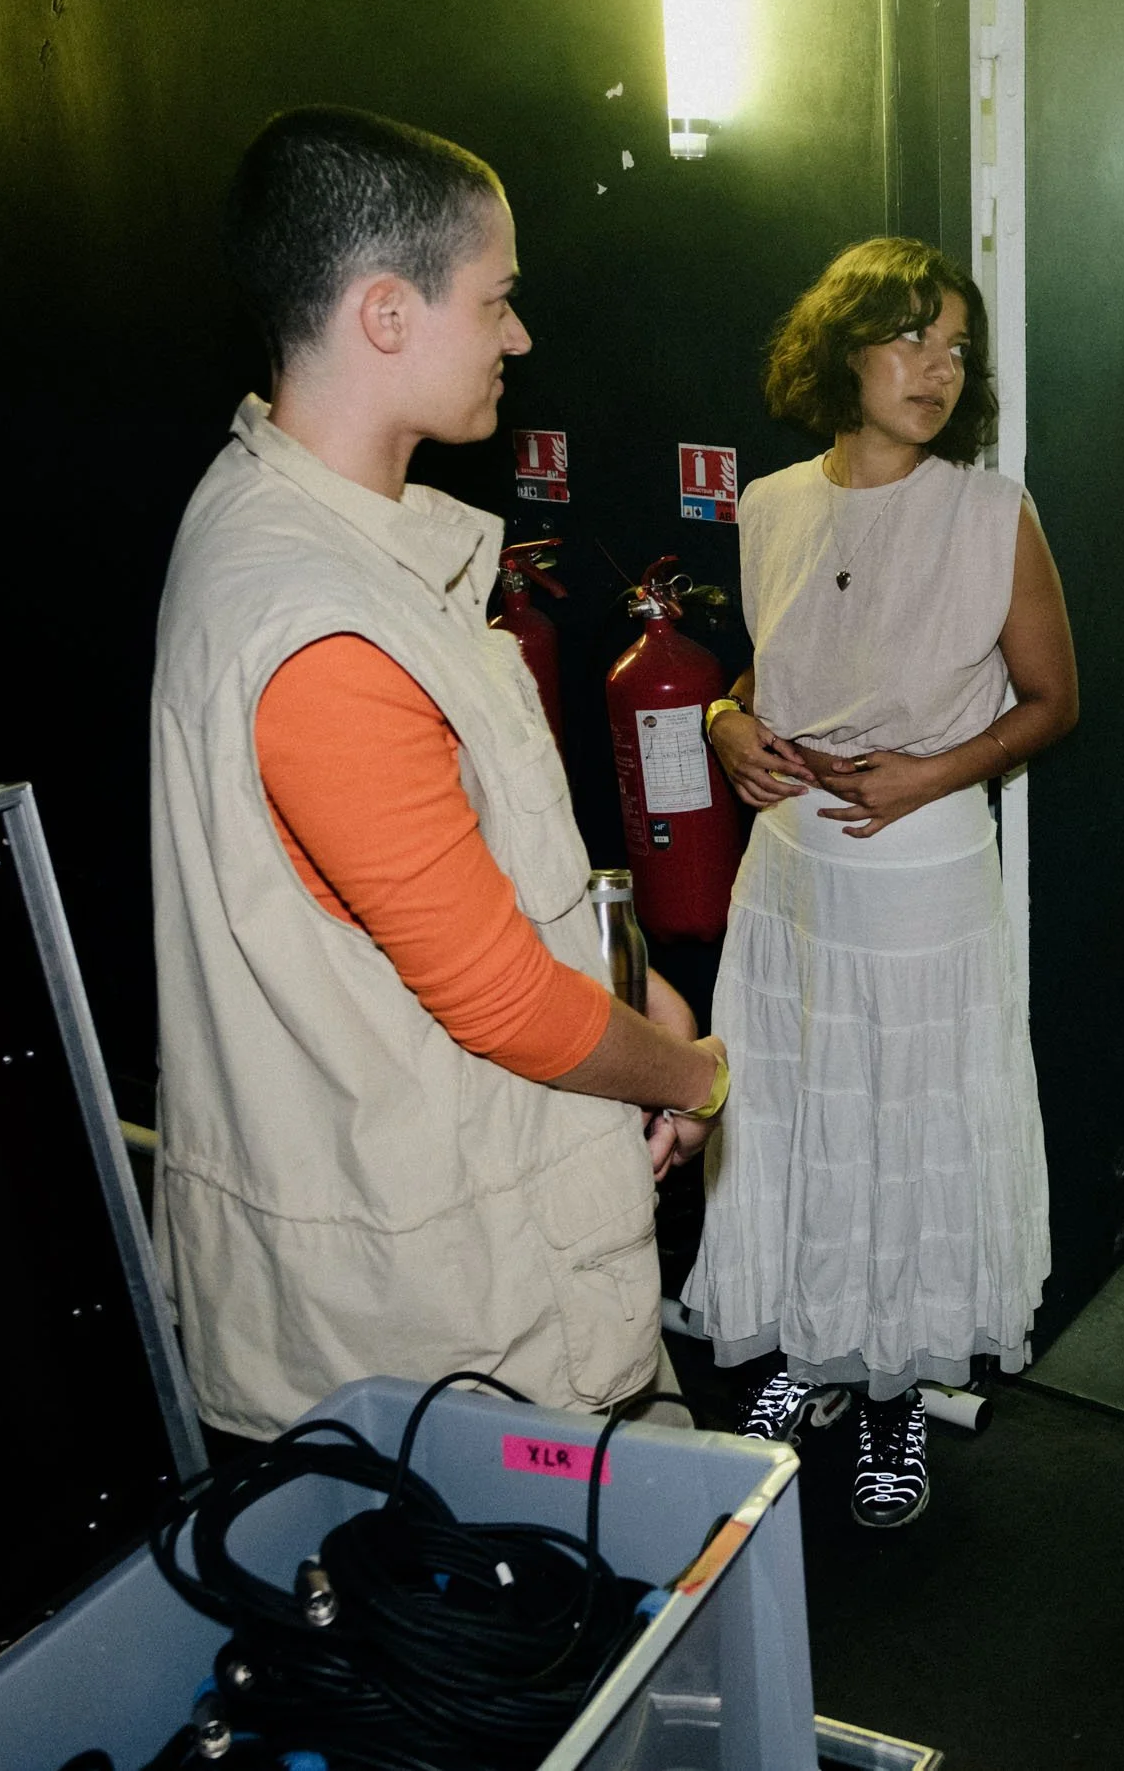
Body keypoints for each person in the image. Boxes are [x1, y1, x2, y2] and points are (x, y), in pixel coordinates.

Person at [149, 107, 729, 1444]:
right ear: (387, 314)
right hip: (442, 1337)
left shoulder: (321, 538)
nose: (519, 337)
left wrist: (631, 969)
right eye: (498, 298)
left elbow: (490, 870)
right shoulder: (321, 620)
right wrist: (688, 1074)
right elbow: (504, 1000)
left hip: (470, 1288)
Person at [680, 236, 1078, 1528]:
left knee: (908, 1125)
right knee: (801, 1125)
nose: (938, 369)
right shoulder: (776, 502)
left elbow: (1055, 700)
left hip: (924, 872)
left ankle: (896, 1396)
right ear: (843, 348)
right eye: (913, 338)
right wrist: (724, 722)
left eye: (958, 347)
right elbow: (775, 670)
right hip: (791, 875)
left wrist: (933, 773)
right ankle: (811, 1355)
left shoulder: (991, 512)